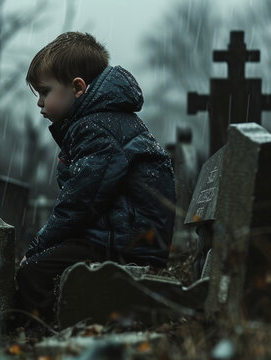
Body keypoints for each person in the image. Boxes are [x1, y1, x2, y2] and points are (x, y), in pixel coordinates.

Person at [15, 32, 175, 324]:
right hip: (122, 236)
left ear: (77, 88)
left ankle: (42, 329)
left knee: (32, 272)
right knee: (46, 261)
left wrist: (36, 248)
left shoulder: (96, 129)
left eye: (45, 92)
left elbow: (79, 203)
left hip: (126, 244)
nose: (39, 103)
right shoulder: (101, 120)